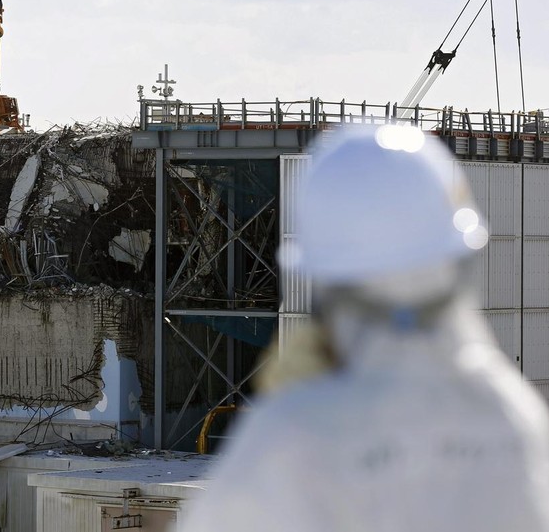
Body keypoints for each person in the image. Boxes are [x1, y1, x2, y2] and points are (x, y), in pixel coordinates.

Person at [179, 124, 549, 531]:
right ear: (458, 262)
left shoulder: (291, 437)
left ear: (323, 278)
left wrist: (288, 408)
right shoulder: (512, 416)